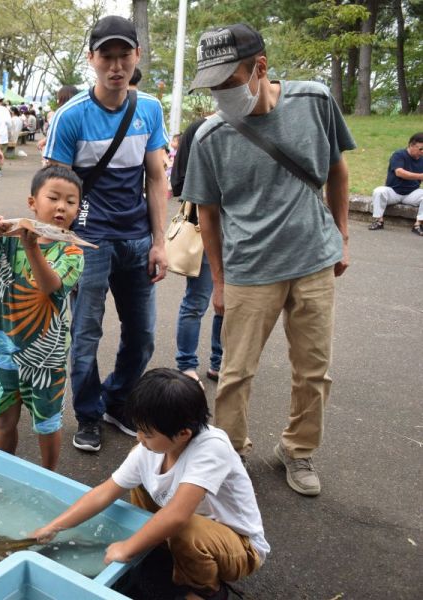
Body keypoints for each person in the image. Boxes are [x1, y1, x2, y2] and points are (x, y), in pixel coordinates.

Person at [182, 23, 354, 496]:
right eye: (212, 86)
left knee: (314, 370)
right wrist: (217, 281)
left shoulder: (315, 102)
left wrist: (341, 231)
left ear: (260, 67)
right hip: (249, 271)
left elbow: (338, 168)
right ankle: (230, 453)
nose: (220, 94)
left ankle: (298, 451)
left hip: (314, 262)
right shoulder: (210, 137)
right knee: (235, 373)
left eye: (228, 82)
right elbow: (208, 215)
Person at [31, 369, 268, 600]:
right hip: (190, 525)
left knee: (184, 528)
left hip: (240, 547)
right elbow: (104, 493)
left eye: (147, 433)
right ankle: (161, 551)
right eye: (138, 429)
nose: (138, 438)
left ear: (183, 434)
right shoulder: (149, 450)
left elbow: (177, 516)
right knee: (140, 481)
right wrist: (54, 527)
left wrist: (128, 547)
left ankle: (207, 589)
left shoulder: (212, 447)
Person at [44, 15, 169, 453]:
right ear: (92, 59)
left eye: (124, 56)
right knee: (85, 336)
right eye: (107, 57)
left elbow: (156, 179)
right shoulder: (70, 117)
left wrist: (159, 242)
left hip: (137, 241)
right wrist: (57, 246)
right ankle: (89, 414)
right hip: (88, 242)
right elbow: (53, 189)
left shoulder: (149, 109)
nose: (116, 66)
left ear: (136, 57)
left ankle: (118, 401)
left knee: (143, 334)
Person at [0, 166, 84, 470]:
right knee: (4, 418)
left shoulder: (73, 251)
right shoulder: (9, 237)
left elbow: (50, 287)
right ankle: (5, 471)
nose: (62, 206)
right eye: (54, 197)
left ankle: (49, 477)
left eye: (71, 202)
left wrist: (31, 247)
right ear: (33, 202)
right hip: (6, 349)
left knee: (47, 424)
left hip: (47, 358)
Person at [170, 117, 222, 383]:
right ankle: (213, 362)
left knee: (199, 302)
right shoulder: (205, 128)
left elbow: (177, 181)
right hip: (215, 227)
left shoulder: (197, 127)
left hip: (214, 229)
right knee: (206, 301)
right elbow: (180, 183)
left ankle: (193, 364)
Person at [368, 132, 423, 235]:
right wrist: (420, 176)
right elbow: (399, 172)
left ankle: (418, 224)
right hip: (393, 191)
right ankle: (378, 221)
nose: (422, 152)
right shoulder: (398, 155)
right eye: (420, 149)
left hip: (412, 193)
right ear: (411, 145)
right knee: (379, 191)